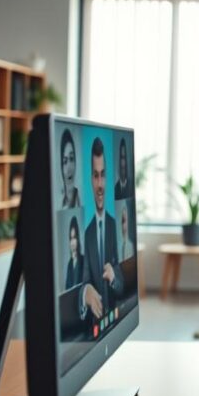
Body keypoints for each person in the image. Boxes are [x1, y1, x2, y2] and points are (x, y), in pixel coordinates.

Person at [81, 137, 124, 328]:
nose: (100, 184)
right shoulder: (86, 234)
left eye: (103, 175)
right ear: (91, 179)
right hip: (95, 330)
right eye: (95, 175)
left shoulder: (116, 227)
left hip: (116, 321)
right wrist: (85, 291)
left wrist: (114, 276)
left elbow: (124, 285)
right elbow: (82, 281)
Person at [59, 129, 81, 209]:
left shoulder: (80, 199)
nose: (69, 168)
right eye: (65, 161)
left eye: (71, 159)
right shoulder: (59, 202)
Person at [65, 216, 84, 290]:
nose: (72, 242)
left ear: (78, 239)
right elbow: (67, 288)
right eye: (70, 238)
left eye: (74, 238)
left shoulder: (83, 260)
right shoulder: (69, 264)